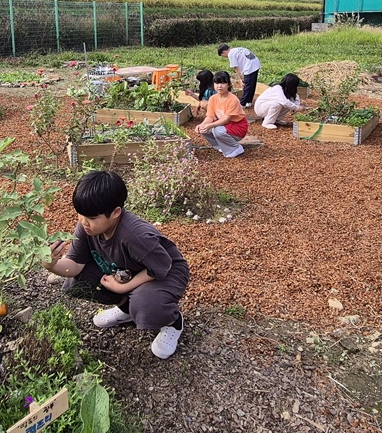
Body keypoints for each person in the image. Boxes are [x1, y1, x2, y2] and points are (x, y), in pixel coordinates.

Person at [42, 171, 189, 360]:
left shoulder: (135, 235)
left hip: (165, 271)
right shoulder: (87, 227)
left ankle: (173, 321)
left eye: (92, 218)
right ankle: (127, 310)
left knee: (146, 303)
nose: (84, 222)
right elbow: (75, 265)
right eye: (80, 215)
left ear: (116, 213)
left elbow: (161, 266)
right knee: (78, 282)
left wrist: (124, 287)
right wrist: (51, 264)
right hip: (126, 270)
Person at [195, 71, 248, 158]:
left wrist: (210, 125)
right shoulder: (213, 99)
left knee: (217, 130)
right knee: (204, 129)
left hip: (238, 126)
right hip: (224, 125)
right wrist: (201, 125)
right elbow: (210, 116)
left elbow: (226, 119)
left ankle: (236, 148)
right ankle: (220, 146)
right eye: (217, 83)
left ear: (228, 84)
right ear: (213, 84)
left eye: (223, 83)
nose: (219, 86)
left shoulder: (233, 99)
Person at [216, 43, 261, 108]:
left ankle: (242, 103)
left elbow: (235, 67)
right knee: (252, 84)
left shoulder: (230, 54)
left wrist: (240, 79)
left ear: (224, 52)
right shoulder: (236, 49)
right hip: (255, 64)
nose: (225, 57)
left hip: (250, 67)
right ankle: (248, 102)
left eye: (223, 55)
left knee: (247, 86)